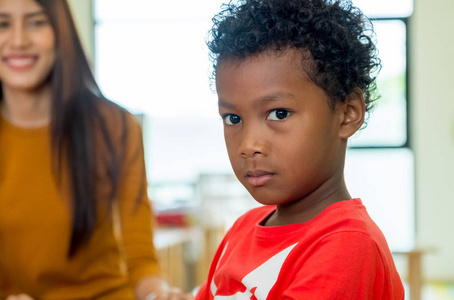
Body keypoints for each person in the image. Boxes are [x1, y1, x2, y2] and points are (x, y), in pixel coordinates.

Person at [195, 0, 405, 299]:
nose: (248, 145)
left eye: (278, 113)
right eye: (233, 118)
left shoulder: (347, 244)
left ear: (348, 113)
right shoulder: (244, 229)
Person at [0, 0, 193, 299]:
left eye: (36, 22)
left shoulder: (113, 126)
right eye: (3, 24)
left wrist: (160, 293)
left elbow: (140, 260)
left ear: (60, 31)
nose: (18, 40)